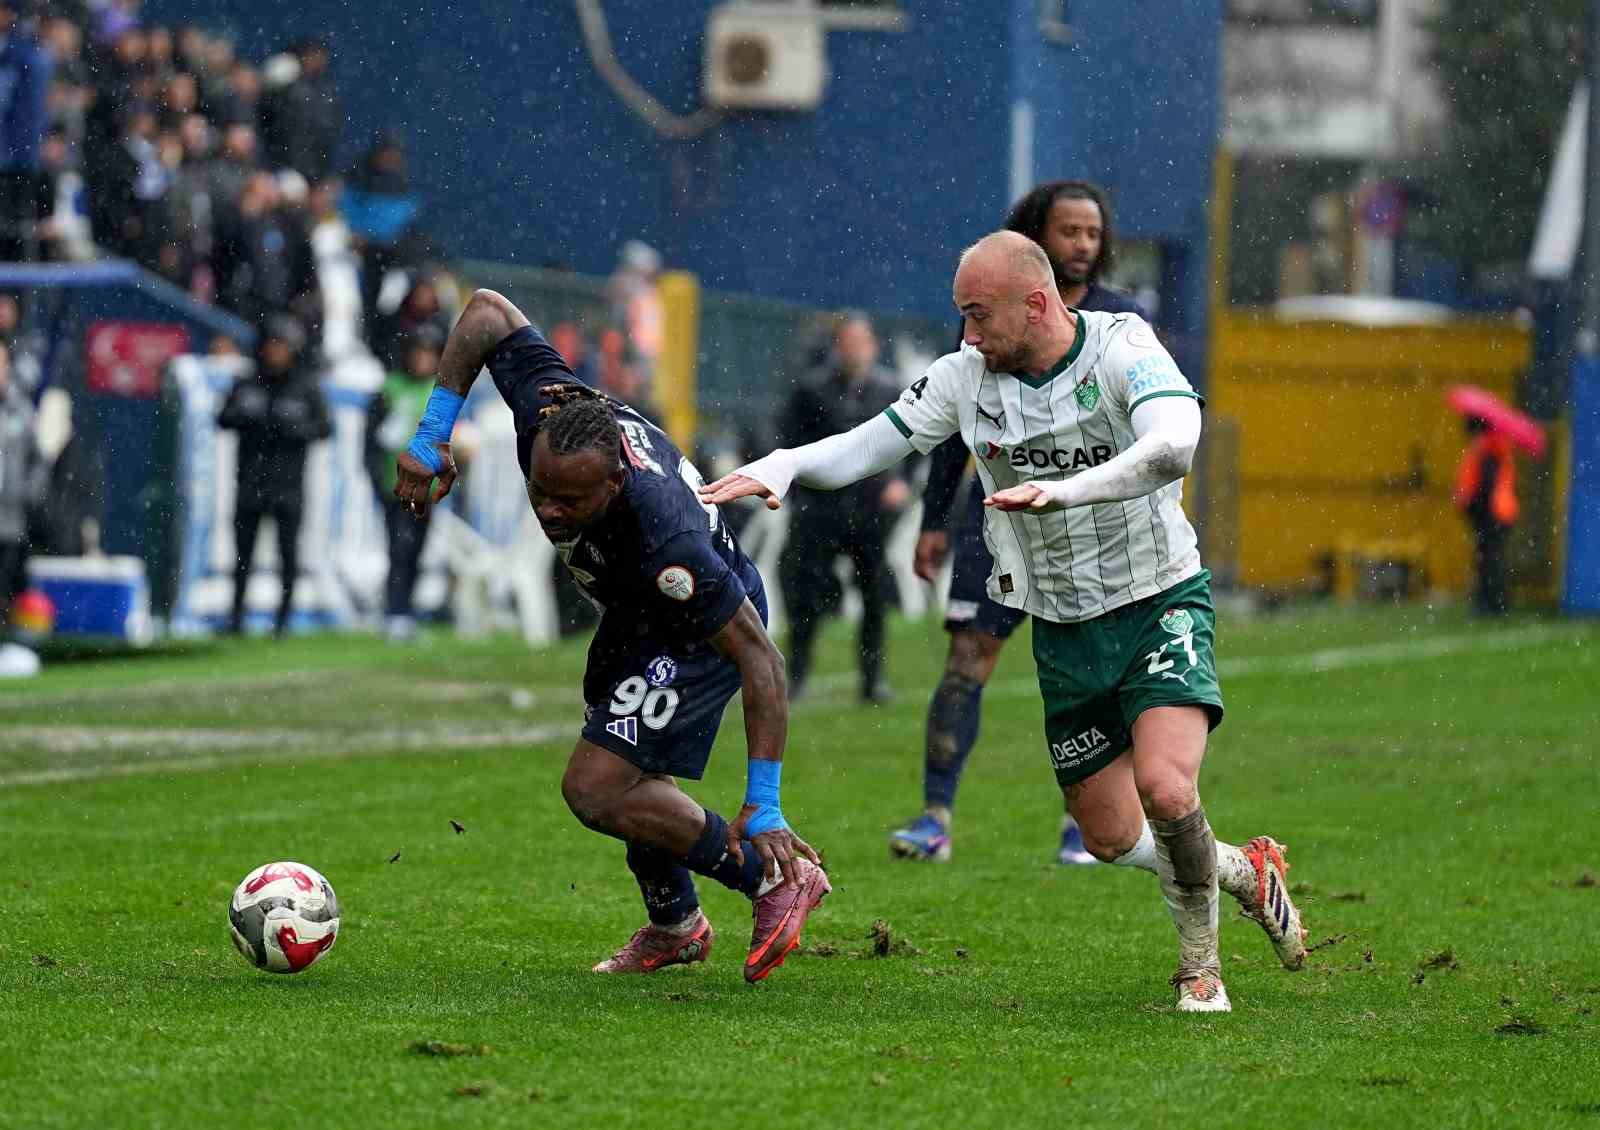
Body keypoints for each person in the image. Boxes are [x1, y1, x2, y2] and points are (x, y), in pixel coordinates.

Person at [702, 232, 1307, 1011]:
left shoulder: (1123, 347)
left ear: (1037, 301)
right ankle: (1244, 872)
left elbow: (1174, 445)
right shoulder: (964, 378)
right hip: (1060, 624)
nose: (970, 334)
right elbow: (867, 445)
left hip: (1159, 598)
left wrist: (1069, 491)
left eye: (979, 316)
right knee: (1111, 837)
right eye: (962, 317)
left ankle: (1201, 970)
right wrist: (782, 464)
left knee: (1164, 784)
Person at [391, 288, 828, 983]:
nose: (552, 511)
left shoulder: (668, 537)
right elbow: (484, 312)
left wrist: (765, 804)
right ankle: (677, 926)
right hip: (635, 617)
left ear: (618, 478)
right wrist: (432, 431)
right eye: (541, 491)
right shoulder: (548, 407)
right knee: (633, 776)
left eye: (573, 500)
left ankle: (773, 879)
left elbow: (760, 659)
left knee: (596, 787)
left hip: (698, 631)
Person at [895, 180, 1147, 865]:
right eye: (1070, 231)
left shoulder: (1123, 321)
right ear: (1037, 236)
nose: (1084, 245)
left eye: (1093, 233)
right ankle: (933, 816)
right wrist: (934, 518)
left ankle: (1086, 827)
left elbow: (1158, 426)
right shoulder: (990, 320)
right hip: (1000, 520)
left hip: (1090, 529)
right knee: (966, 661)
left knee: (1091, 677)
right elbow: (950, 425)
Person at [777, 312, 912, 702]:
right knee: (806, 595)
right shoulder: (811, 390)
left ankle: (872, 680)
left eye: (861, 342)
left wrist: (901, 481)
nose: (855, 351)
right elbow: (787, 440)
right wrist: (800, 494)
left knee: (873, 595)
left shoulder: (891, 390)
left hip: (870, 512)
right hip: (820, 511)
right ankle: (796, 676)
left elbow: (916, 440)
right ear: (839, 347)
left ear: (874, 346)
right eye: (848, 343)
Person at [218, 315, 331, 636]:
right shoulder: (247, 382)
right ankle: (236, 618)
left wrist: (295, 430)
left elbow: (324, 428)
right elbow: (223, 417)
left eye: (282, 346)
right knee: (242, 555)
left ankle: (282, 622)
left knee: (288, 554)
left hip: (288, 485)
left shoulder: (305, 385)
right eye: (272, 345)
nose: (276, 352)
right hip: (250, 482)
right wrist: (245, 417)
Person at [365, 326, 446, 641]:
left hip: (428, 486)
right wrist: (374, 475)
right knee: (399, 547)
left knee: (417, 549)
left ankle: (406, 611)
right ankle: (394, 611)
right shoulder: (391, 387)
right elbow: (373, 437)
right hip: (394, 482)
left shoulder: (439, 392)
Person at [1454, 415, 1517, 615]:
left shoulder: (1487, 449)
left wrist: (1471, 504)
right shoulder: (1494, 447)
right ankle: (1493, 601)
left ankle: (1491, 602)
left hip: (1492, 512)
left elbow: (1485, 485)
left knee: (1489, 558)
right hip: (1499, 511)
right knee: (1491, 557)